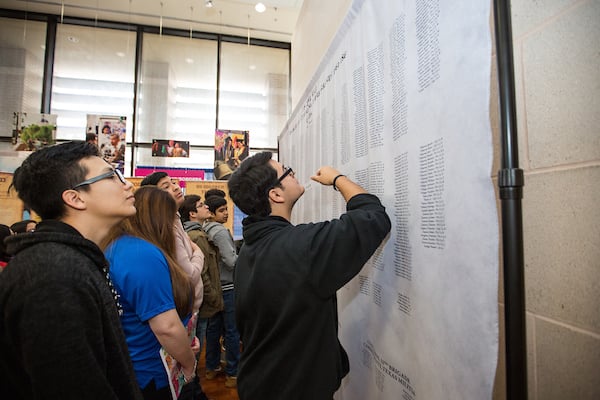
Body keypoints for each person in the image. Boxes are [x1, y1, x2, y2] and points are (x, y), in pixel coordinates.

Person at [227, 152, 391, 400]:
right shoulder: (300, 247)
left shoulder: (250, 249)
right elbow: (372, 217)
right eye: (287, 171)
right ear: (276, 194)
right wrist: (338, 178)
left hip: (259, 382)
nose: (293, 173)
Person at [0, 141, 142, 399]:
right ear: (75, 198)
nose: (128, 184)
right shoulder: (53, 274)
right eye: (112, 176)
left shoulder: (71, 259)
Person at [102, 186, 199, 399]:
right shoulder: (141, 254)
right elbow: (167, 328)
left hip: (140, 367)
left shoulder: (119, 246)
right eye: (171, 216)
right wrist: (189, 362)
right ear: (157, 217)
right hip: (155, 373)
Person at [140, 172, 204, 314]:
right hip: (180, 310)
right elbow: (190, 275)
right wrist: (199, 253)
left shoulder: (175, 220)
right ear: (153, 197)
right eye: (166, 187)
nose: (175, 188)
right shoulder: (166, 228)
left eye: (173, 183)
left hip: (189, 308)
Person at [179, 195, 224, 364]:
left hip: (202, 299)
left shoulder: (197, 233)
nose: (206, 207)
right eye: (201, 205)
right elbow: (202, 273)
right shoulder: (196, 236)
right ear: (192, 213)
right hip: (203, 301)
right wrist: (213, 297)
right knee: (196, 345)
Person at [202, 195, 240, 389]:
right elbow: (231, 261)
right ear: (212, 212)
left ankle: (211, 367)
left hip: (215, 288)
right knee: (232, 331)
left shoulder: (205, 229)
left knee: (213, 329)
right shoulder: (220, 232)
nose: (226, 214)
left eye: (226, 209)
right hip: (228, 287)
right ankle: (233, 374)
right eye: (222, 210)